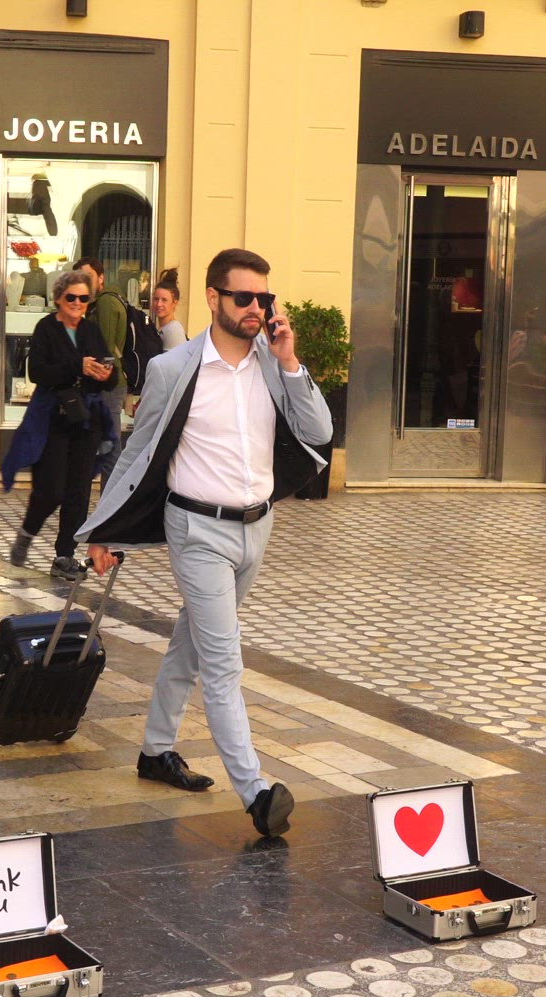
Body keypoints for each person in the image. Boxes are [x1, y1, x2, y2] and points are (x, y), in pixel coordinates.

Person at [81, 248, 333, 839]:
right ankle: (256, 792)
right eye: (243, 297)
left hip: (257, 527)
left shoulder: (273, 364)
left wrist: (290, 361)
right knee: (223, 662)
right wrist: (101, 530)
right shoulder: (174, 369)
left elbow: (319, 431)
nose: (256, 308)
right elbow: (138, 452)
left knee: (191, 642)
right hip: (196, 530)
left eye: (263, 298)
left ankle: (155, 750)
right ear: (214, 298)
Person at [1, 270, 118, 581]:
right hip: (52, 419)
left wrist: (107, 375)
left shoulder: (91, 330)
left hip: (86, 420)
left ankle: (64, 555)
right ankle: (28, 532)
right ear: (58, 298)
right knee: (51, 489)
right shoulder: (46, 328)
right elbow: (38, 372)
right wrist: (77, 366)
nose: (78, 303)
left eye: (84, 298)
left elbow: (111, 375)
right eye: (71, 297)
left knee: (79, 492)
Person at [73, 258, 129, 387]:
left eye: (88, 276)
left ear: (101, 278)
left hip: (106, 383)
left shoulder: (106, 302)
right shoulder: (95, 303)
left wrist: (103, 380)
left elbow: (106, 348)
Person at [153, 268, 188, 349]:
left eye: (164, 300)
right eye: (156, 299)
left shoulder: (173, 330)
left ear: (174, 302)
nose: (159, 304)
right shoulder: (164, 328)